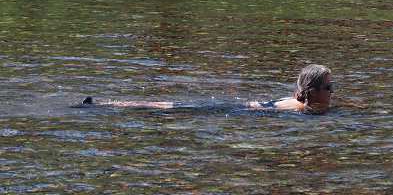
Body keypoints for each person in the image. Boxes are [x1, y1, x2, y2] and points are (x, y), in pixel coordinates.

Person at [78, 64, 343, 114]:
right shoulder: (302, 110)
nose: (333, 91)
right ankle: (105, 105)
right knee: (166, 107)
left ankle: (106, 103)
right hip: (226, 110)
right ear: (314, 90)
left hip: (232, 107)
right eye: (330, 86)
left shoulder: (300, 102)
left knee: (166, 106)